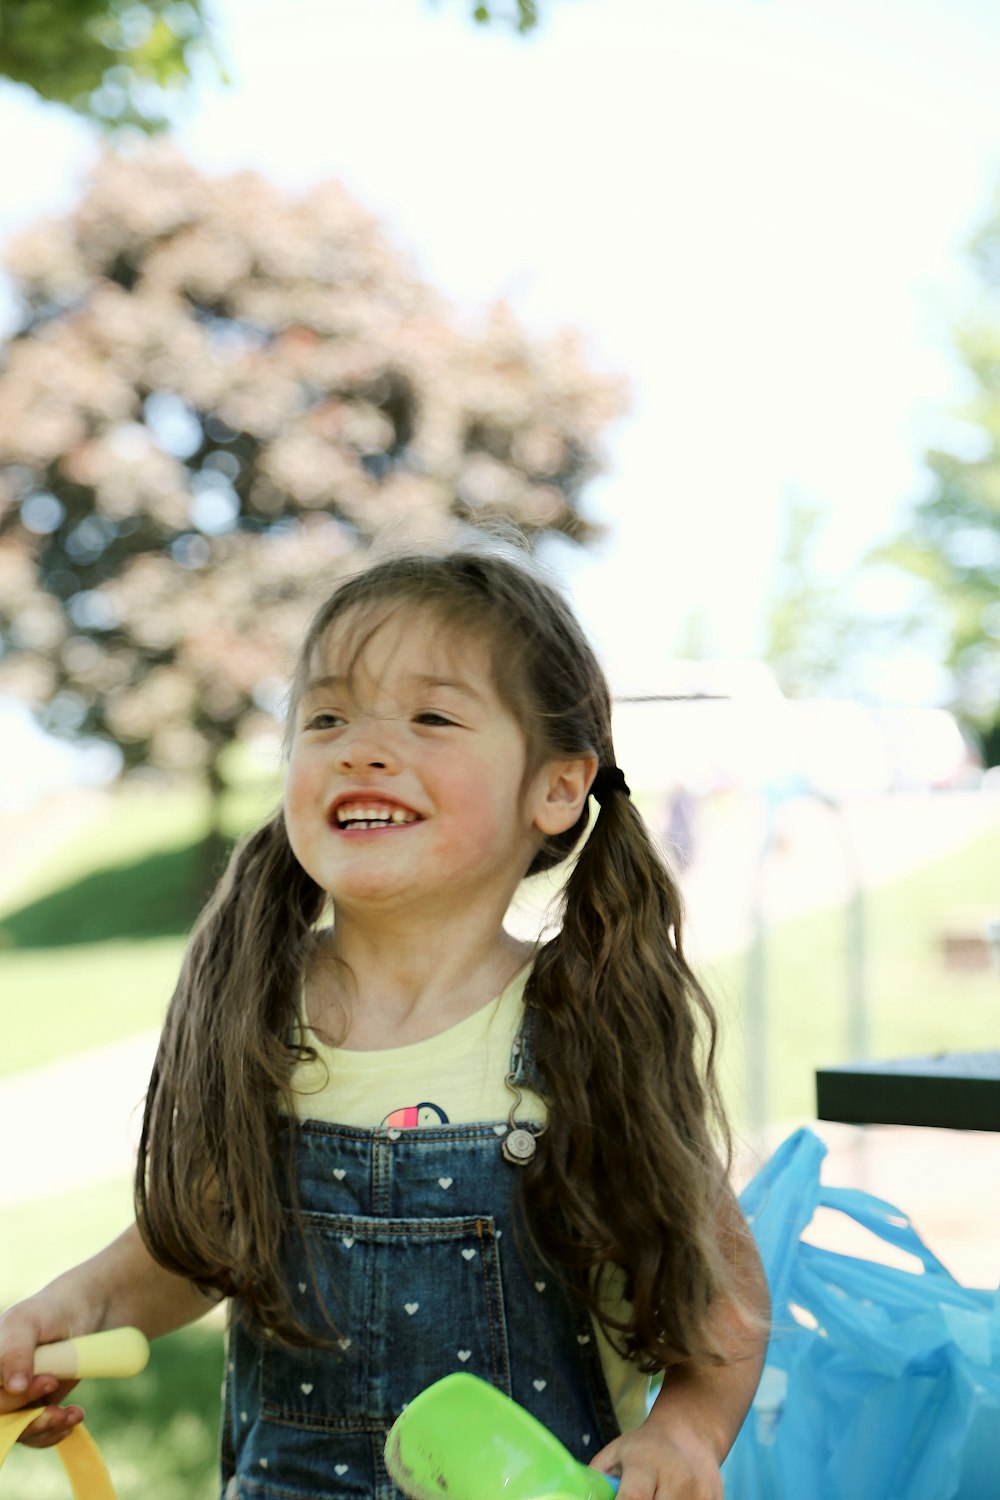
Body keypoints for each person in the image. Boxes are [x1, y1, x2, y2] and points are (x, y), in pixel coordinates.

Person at [0, 546, 769, 1500]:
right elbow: (191, 1250)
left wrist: (685, 1436)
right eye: (326, 718)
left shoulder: (583, 1032)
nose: (360, 747)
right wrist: (58, 1316)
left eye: (432, 717)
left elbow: (721, 1293)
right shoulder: (260, 1015)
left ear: (558, 788)